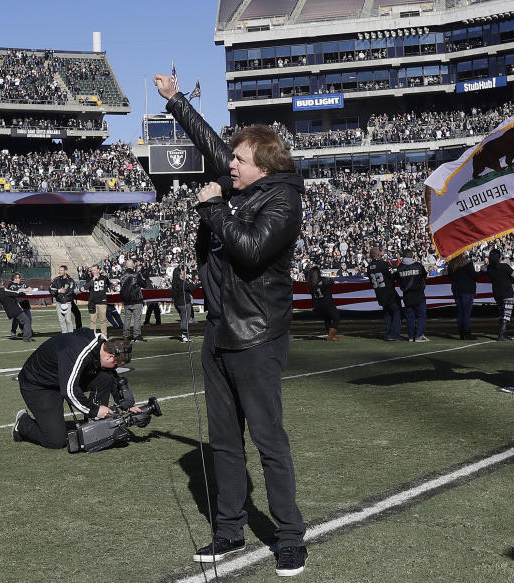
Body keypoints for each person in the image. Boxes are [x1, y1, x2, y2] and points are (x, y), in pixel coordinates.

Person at [157, 72, 307, 575]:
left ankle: (289, 536)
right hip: (220, 333)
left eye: (239, 161)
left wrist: (214, 205)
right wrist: (176, 101)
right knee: (223, 441)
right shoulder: (249, 183)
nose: (229, 166)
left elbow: (248, 252)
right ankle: (229, 531)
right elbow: (213, 146)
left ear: (263, 165)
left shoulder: (283, 200)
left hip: (257, 337)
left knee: (268, 441)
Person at [11, 330, 136, 449]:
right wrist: (94, 410)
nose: (115, 368)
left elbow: (111, 375)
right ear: (109, 356)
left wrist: (125, 404)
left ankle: (94, 423)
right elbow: (69, 390)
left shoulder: (103, 346)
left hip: (62, 378)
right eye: (116, 364)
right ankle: (22, 424)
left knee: (105, 376)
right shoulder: (79, 351)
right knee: (56, 441)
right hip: (39, 384)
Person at [366, 246, 403, 342]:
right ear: (378, 254)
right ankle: (394, 334)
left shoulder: (369, 267)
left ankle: (388, 333)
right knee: (396, 311)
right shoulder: (384, 264)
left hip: (379, 292)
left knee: (387, 312)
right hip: (389, 292)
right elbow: (394, 276)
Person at [487, 248, 514, 341]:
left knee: (502, 313)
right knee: (506, 314)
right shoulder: (504, 267)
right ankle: (501, 335)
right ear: (500, 257)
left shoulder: (489, 268)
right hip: (507, 293)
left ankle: (503, 334)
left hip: (496, 293)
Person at [396, 249, 428, 342]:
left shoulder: (400, 267)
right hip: (419, 294)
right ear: (410, 255)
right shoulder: (418, 265)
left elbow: (397, 279)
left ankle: (411, 336)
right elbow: (424, 276)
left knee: (410, 317)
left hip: (407, 295)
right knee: (421, 315)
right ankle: (418, 336)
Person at [447, 252, 479, 340]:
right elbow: (474, 276)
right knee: (466, 313)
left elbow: (449, 277)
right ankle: (467, 333)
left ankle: (462, 333)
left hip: (456, 291)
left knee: (460, 312)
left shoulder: (452, 265)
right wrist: (481, 272)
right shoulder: (468, 264)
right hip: (467, 291)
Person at [305, 265, 340, 341]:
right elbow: (332, 281)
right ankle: (330, 337)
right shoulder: (323, 280)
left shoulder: (310, 284)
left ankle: (331, 335)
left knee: (327, 319)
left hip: (318, 304)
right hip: (327, 303)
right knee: (336, 318)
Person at [0, 274, 34, 342]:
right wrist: (24, 290)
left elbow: (30, 289)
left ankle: (28, 332)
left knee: (28, 319)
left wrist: (24, 290)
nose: (20, 279)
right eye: (18, 278)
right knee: (18, 320)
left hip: (25, 303)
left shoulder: (22, 284)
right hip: (18, 305)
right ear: (15, 279)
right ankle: (14, 332)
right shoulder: (11, 285)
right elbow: (16, 292)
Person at [120, 259, 148, 342]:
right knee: (137, 318)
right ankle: (137, 336)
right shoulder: (136, 274)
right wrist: (143, 277)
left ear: (126, 266)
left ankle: (126, 336)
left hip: (126, 300)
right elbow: (144, 285)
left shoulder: (122, 276)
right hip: (136, 299)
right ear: (133, 266)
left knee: (127, 319)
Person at [171, 266, 198, 343]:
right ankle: (185, 336)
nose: (183, 272)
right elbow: (192, 287)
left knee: (183, 319)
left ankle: (185, 335)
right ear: (179, 273)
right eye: (182, 271)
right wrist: (200, 283)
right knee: (185, 319)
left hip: (178, 303)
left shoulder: (175, 282)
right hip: (184, 303)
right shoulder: (181, 282)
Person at [85, 264, 111, 337]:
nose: (93, 271)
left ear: (98, 270)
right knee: (93, 320)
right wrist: (92, 280)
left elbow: (110, 284)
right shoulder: (89, 278)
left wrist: (111, 288)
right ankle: (92, 336)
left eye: (94, 270)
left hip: (102, 301)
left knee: (103, 320)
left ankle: (104, 335)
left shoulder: (104, 278)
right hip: (92, 302)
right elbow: (85, 287)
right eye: (92, 270)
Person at [50, 265, 77, 333]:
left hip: (67, 302)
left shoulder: (70, 280)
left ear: (65, 271)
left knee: (68, 319)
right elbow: (50, 289)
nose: (60, 271)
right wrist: (59, 291)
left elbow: (72, 291)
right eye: (59, 270)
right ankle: (64, 334)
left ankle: (70, 334)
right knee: (61, 320)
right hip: (59, 302)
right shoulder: (56, 280)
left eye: (61, 270)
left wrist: (64, 294)